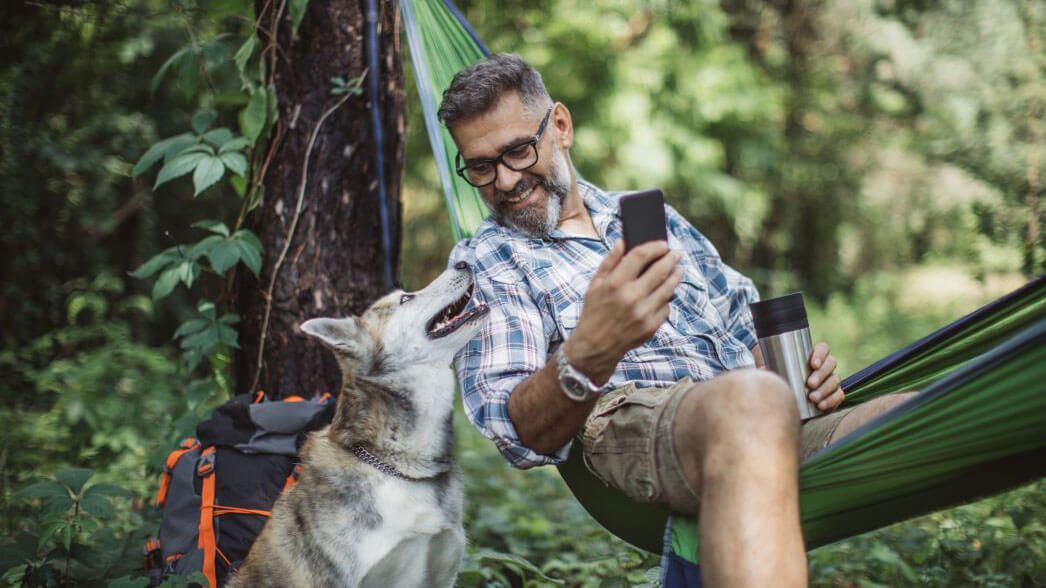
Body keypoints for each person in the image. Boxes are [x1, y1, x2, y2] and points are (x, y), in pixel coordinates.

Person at [441, 53, 912, 587]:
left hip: (755, 415)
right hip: (629, 417)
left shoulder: (649, 218)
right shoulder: (488, 260)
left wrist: (802, 379)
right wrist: (590, 349)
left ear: (561, 127)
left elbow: (740, 321)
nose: (504, 180)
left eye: (518, 152)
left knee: (917, 415)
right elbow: (514, 427)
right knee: (750, 401)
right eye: (481, 166)